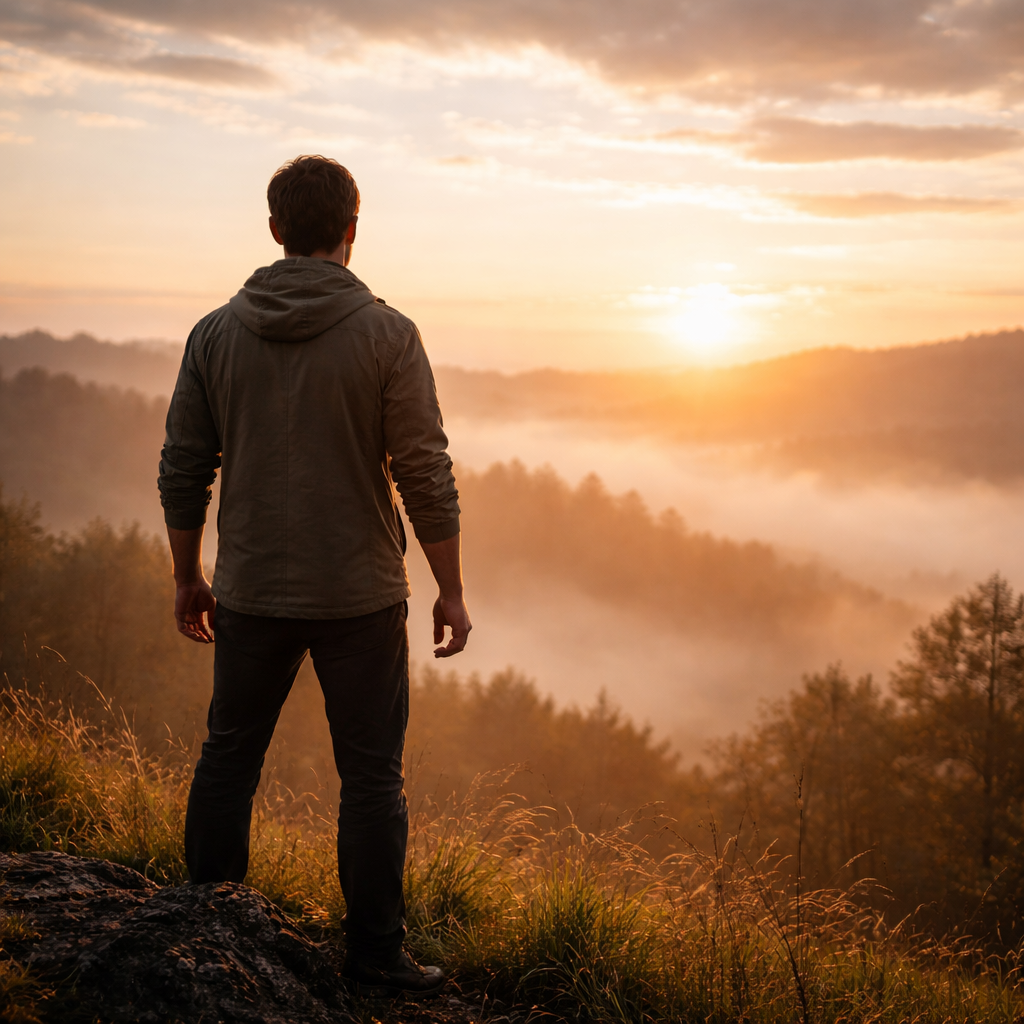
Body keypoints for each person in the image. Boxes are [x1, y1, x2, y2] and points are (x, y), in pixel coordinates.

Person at [158, 154, 470, 997]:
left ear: (274, 230)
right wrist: (450, 588)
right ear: (352, 230)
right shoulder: (388, 335)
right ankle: (375, 958)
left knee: (228, 759)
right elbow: (424, 471)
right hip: (360, 596)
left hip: (250, 589)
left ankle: (206, 936)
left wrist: (188, 574)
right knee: (371, 779)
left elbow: (184, 467)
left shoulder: (215, 334)